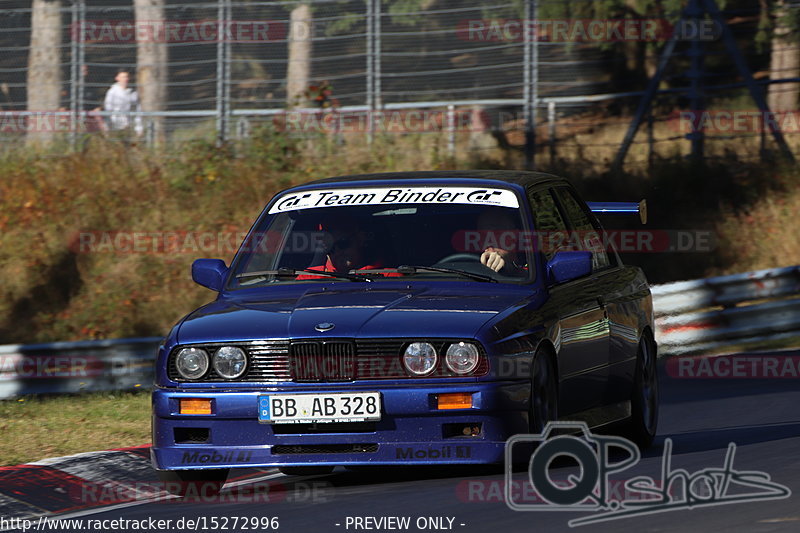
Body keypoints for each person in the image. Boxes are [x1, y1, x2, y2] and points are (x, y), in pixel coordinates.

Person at [296, 215, 401, 279]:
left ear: (360, 239)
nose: (337, 252)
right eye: (330, 247)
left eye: (343, 243)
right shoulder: (308, 278)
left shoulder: (388, 276)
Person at [477, 209, 527, 275]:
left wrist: (509, 267)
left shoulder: (534, 266)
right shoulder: (467, 269)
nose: (487, 241)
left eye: (494, 233)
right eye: (482, 235)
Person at [103, 70, 142, 134]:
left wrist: (138, 127)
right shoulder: (112, 92)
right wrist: (108, 126)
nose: (125, 79)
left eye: (127, 77)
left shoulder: (133, 93)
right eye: (123, 77)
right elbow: (108, 109)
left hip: (130, 125)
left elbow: (137, 111)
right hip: (115, 124)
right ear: (117, 78)